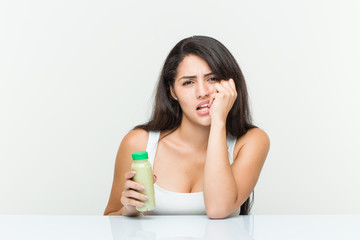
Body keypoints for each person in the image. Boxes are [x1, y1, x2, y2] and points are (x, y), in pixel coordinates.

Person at [104, 36, 270, 219]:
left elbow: (218, 209)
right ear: (172, 91)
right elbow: (111, 218)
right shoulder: (138, 142)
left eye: (212, 78)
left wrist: (218, 122)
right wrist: (128, 210)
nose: (202, 92)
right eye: (188, 82)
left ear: (230, 85)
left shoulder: (251, 141)